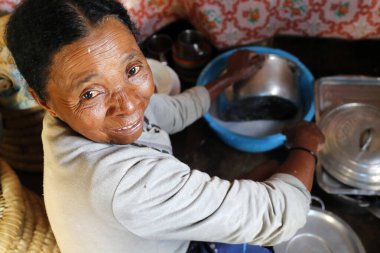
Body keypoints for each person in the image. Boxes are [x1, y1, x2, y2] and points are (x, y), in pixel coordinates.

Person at [5, 0, 325, 252]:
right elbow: (281, 215)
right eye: (90, 93)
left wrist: (228, 78)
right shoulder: (130, 186)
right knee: (277, 181)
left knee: (269, 171)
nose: (130, 105)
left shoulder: (67, 121)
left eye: (132, 69)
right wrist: (305, 145)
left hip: (136, 231)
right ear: (43, 100)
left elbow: (169, 111)